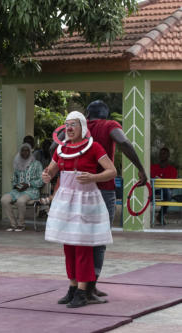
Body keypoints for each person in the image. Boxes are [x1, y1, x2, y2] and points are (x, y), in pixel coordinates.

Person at [43, 111, 116, 308]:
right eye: (67, 124)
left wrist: (93, 177)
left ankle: (84, 291)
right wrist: (47, 175)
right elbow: (52, 169)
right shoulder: (61, 148)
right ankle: (73, 287)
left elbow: (112, 171)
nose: (69, 128)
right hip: (66, 200)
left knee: (83, 246)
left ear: (82, 126)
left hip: (86, 201)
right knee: (69, 246)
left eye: (73, 124)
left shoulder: (94, 147)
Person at [85, 100, 147, 300]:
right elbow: (124, 143)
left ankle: (82, 286)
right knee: (100, 238)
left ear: (87, 114)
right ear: (106, 114)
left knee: (81, 239)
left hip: (81, 190)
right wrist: (140, 168)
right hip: (103, 189)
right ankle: (91, 286)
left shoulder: (78, 127)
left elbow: (54, 146)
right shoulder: (109, 125)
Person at [1, 143, 43, 232]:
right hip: (18, 191)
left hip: (32, 191)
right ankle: (13, 224)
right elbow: (14, 179)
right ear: (20, 152)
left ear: (30, 152)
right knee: (4, 199)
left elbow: (41, 180)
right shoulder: (17, 163)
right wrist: (16, 185)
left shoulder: (37, 164)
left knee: (21, 201)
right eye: (23, 150)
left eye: (27, 150)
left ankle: (21, 224)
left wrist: (28, 184)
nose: (25, 152)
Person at [151, 147, 178, 219]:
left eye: (164, 153)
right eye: (160, 154)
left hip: (166, 191)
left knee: (168, 192)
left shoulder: (172, 169)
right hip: (154, 190)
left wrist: (163, 183)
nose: (161, 155)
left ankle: (161, 215)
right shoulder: (153, 167)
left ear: (168, 156)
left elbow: (172, 186)